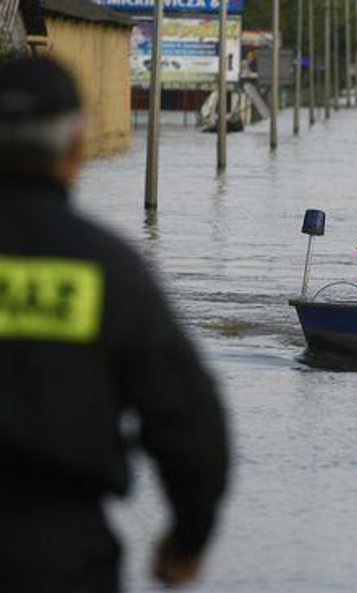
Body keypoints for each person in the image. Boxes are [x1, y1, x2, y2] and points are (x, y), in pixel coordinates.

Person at [0, 57, 229, 592]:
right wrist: (188, 539)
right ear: (76, 148)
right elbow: (189, 423)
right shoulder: (109, 271)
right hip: (58, 555)